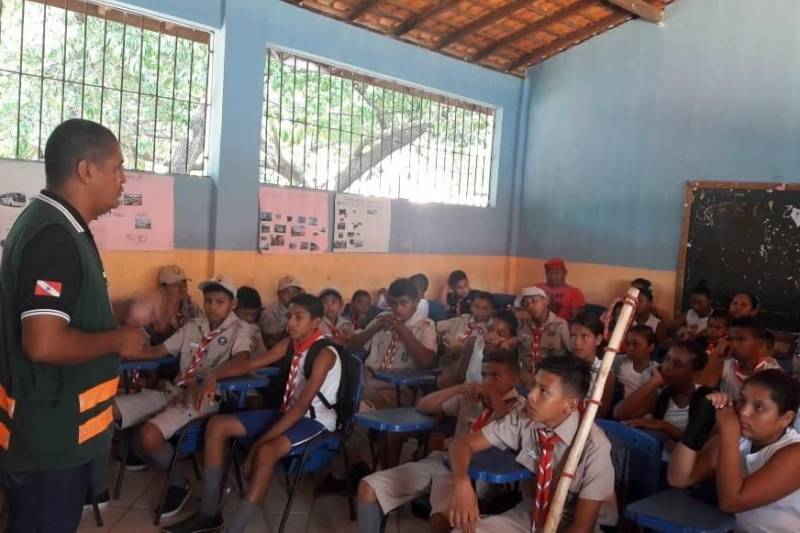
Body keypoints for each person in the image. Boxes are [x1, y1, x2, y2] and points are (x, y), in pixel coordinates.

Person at [0, 119, 156, 532]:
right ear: (87, 170)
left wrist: (120, 310)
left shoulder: (62, 227)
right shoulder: (53, 236)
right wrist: (119, 339)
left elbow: (65, 311)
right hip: (50, 437)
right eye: (117, 168)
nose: (124, 179)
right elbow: (43, 343)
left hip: (60, 432)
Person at [161, 294, 342, 533]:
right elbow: (248, 365)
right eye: (290, 316)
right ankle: (209, 513)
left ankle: (235, 529)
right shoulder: (292, 344)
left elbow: (300, 410)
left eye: (299, 318)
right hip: (289, 413)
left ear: (316, 322)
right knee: (217, 425)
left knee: (266, 451)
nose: (291, 323)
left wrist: (257, 445)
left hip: (314, 420)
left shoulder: (324, 353)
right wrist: (215, 376)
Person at [110, 276, 257, 517]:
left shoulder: (241, 330)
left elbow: (242, 360)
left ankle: (177, 482)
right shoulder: (193, 326)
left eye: (220, 301)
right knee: (106, 409)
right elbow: (159, 350)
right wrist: (124, 353)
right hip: (173, 391)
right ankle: (95, 489)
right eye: (208, 301)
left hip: (204, 397)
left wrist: (212, 376)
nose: (212, 306)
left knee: (148, 434)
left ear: (233, 304)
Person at [357, 348, 525, 533]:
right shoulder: (471, 398)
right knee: (368, 488)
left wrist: (495, 399)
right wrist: (460, 388)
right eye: (484, 375)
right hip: (442, 461)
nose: (487, 382)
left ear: (514, 378)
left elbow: (512, 432)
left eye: (495, 376)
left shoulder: (521, 407)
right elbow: (424, 406)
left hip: (475, 475)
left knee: (443, 520)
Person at [447, 355, 615, 532]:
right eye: (534, 385)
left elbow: (583, 527)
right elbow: (462, 444)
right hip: (533, 512)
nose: (531, 395)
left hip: (572, 523)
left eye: (543, 391)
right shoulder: (524, 418)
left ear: (570, 404)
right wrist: (462, 482)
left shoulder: (595, 447)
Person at [667, 370, 800, 532]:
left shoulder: (795, 453)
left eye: (758, 407)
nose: (743, 412)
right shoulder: (742, 437)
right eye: (742, 400)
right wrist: (700, 420)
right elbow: (679, 478)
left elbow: (731, 502)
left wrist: (729, 431)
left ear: (786, 418)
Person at [347, 278, 437, 409]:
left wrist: (404, 332)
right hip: (368, 378)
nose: (398, 309)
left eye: (403, 303)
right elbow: (350, 347)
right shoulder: (381, 318)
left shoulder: (425, 326)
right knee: (345, 392)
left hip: (400, 387)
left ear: (416, 302)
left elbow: (428, 362)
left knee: (362, 399)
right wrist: (374, 329)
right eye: (393, 303)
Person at [614, 341, 711, 458]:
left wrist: (664, 426)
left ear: (695, 374)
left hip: (687, 470)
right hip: (658, 462)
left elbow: (704, 446)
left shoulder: (707, 399)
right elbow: (620, 414)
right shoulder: (661, 396)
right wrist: (654, 381)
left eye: (678, 365)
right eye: (667, 359)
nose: (667, 367)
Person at [701, 316, 781, 399]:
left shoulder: (773, 372)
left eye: (740, 340)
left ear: (759, 345)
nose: (734, 345)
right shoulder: (724, 365)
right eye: (730, 339)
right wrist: (716, 354)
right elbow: (701, 392)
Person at [439, 308, 519, 388]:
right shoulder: (474, 343)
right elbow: (459, 375)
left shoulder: (512, 356)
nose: (492, 337)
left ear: (511, 338)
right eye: (489, 329)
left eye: (501, 334)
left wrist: (505, 350)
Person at [515, 286, 570, 381]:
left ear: (546, 301)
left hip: (550, 375)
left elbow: (570, 352)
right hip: (525, 374)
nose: (530, 306)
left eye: (534, 301)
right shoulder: (522, 323)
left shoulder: (560, 325)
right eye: (526, 304)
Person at [570, 312, 616, 418]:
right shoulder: (563, 367)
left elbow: (599, 414)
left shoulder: (604, 374)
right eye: (573, 336)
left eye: (584, 336)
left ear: (598, 340)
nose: (577, 342)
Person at [146, 265, 203, 345]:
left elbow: (203, 331)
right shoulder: (152, 310)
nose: (182, 289)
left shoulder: (192, 307)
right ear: (163, 289)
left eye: (184, 284)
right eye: (175, 285)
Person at [259, 275, 304, 349]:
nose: (291, 296)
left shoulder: (302, 309)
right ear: (279, 294)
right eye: (286, 292)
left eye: (295, 292)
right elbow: (272, 342)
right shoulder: (269, 313)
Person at [613, 325, 657, 398]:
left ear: (651, 347)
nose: (630, 348)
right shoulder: (617, 361)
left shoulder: (657, 371)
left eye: (635, 344)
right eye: (627, 344)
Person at [235, 286, 267, 354]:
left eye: (254, 315)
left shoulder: (256, 328)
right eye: (245, 314)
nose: (250, 318)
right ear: (234, 309)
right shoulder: (229, 326)